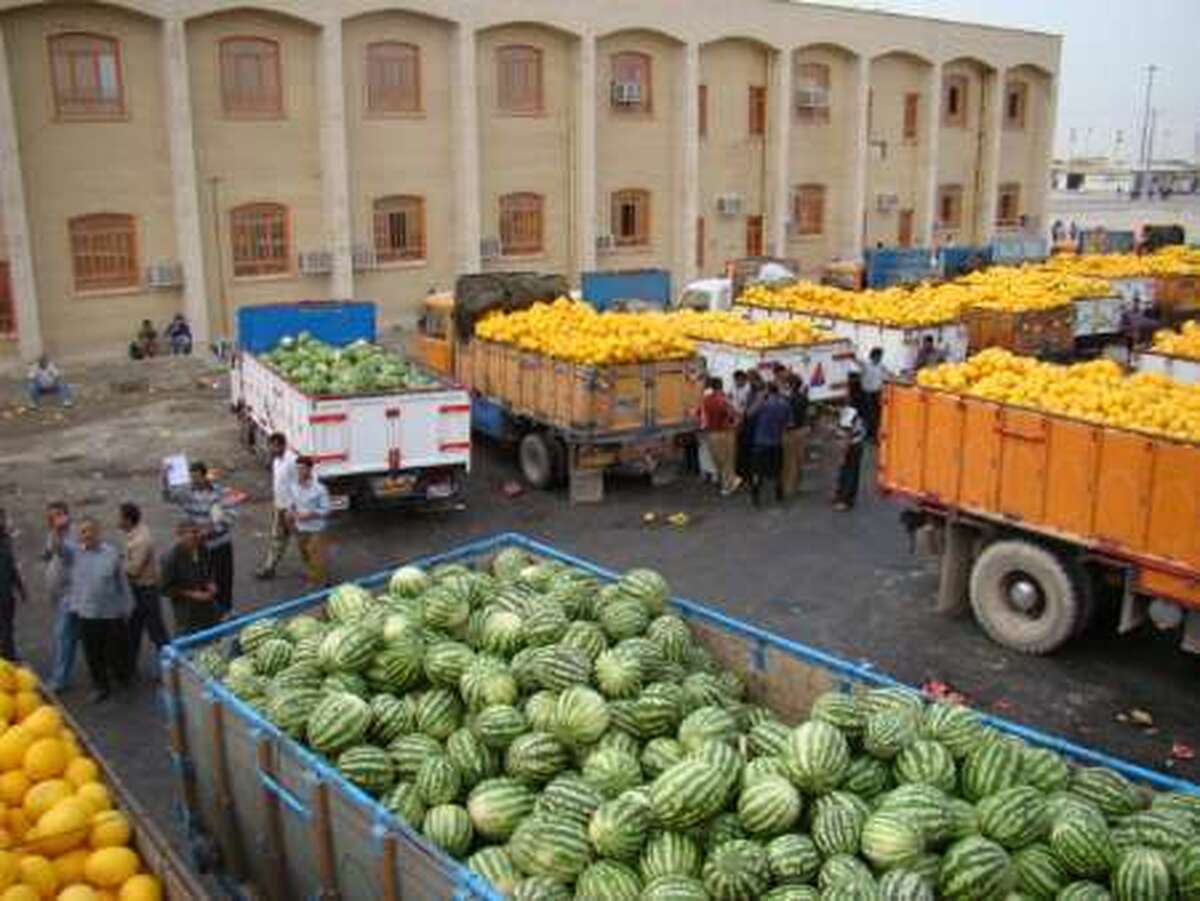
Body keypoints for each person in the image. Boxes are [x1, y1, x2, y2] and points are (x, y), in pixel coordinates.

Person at [62, 517, 133, 703]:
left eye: (90, 530)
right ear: (79, 535)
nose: (87, 535)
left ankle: (122, 675)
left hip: (111, 612)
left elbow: (122, 582)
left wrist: (127, 606)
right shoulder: (74, 553)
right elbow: (57, 549)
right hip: (87, 613)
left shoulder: (111, 553)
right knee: (92, 652)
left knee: (117, 648)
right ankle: (100, 686)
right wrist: (57, 530)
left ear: (98, 532)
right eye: (83, 531)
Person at [163, 461, 235, 615]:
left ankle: (226, 611)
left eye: (197, 477)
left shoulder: (221, 492)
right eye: (191, 477)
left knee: (224, 579)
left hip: (220, 543)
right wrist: (165, 476)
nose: (194, 481)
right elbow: (168, 496)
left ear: (205, 476)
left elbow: (230, 518)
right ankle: (212, 613)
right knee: (204, 580)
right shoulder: (188, 493)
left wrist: (209, 531)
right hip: (200, 548)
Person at [119, 502, 167, 675]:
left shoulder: (141, 540)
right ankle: (128, 666)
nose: (118, 521)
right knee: (133, 629)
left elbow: (134, 569)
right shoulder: (136, 533)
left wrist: (118, 564)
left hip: (145, 590)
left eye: (121, 518)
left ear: (128, 520)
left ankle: (168, 668)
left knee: (156, 631)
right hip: (138, 590)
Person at [42, 501, 78, 692]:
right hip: (60, 595)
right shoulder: (54, 533)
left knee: (63, 637)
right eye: (49, 516)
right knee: (70, 637)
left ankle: (59, 679)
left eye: (56, 515)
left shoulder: (73, 535)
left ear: (66, 515)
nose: (51, 520)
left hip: (71, 597)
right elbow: (50, 552)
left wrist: (55, 533)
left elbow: (63, 551)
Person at [160, 522, 219, 636]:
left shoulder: (203, 548)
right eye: (193, 533)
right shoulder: (170, 559)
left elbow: (209, 569)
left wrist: (211, 582)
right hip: (186, 614)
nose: (198, 536)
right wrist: (192, 594)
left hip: (208, 610)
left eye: (198, 532)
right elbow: (164, 589)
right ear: (180, 535)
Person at [256, 433, 298, 580]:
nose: (271, 449)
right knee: (276, 539)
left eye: (274, 446)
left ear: (282, 445)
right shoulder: (276, 461)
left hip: (292, 511)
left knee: (304, 541)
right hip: (279, 508)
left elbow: (300, 485)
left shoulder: (292, 461)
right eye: (270, 446)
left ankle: (320, 575)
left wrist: (293, 509)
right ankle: (269, 568)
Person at [290, 457, 332, 588]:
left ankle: (322, 583)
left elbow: (326, 510)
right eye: (297, 469)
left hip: (316, 529)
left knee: (317, 556)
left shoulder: (320, 489)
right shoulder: (293, 485)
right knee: (305, 554)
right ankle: (313, 575)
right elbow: (292, 503)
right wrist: (291, 512)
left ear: (309, 469)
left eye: (302, 468)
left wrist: (310, 514)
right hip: (300, 528)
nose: (299, 471)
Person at [748, 382, 791, 506]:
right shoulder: (785, 404)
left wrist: (759, 398)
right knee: (777, 470)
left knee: (757, 471)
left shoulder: (764, 404)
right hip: (776, 442)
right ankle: (779, 493)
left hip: (761, 442)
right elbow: (788, 424)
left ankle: (756, 495)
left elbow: (749, 413)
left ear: (767, 391)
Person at [699, 377, 739, 495]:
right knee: (728, 460)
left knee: (718, 460)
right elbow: (731, 414)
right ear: (721, 386)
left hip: (711, 434)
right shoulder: (723, 399)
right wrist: (736, 421)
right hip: (725, 432)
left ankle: (723, 481)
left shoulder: (705, 400)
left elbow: (700, 414)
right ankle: (728, 486)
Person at [0, 509, 26, 661]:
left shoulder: (6, 539)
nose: (1, 522)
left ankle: (9, 659)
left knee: (8, 629)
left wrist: (21, 588)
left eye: (2, 518)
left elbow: (11, 565)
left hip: (6, 595)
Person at [779, 372, 810, 499]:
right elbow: (807, 414)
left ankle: (788, 488)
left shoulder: (787, 399)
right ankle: (796, 485)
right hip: (801, 430)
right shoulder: (804, 397)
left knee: (788, 461)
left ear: (790, 385)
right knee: (799, 460)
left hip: (789, 432)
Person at [833, 405, 868, 512]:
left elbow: (846, 436)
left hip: (853, 445)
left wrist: (842, 454)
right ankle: (842, 496)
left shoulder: (847, 414)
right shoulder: (849, 411)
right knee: (848, 471)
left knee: (849, 473)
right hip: (855, 443)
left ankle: (845, 500)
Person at [857, 347, 891, 442]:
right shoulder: (865, 364)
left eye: (881, 356)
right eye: (879, 356)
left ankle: (874, 435)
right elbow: (856, 359)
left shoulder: (881, 366)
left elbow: (889, 375)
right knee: (868, 414)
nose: (880, 358)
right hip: (867, 393)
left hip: (877, 393)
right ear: (873, 356)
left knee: (877, 415)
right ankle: (868, 434)